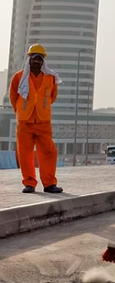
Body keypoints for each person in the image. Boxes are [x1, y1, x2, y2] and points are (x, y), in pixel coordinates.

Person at [8, 44, 63, 194]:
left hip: (43, 122)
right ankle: (29, 183)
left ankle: (49, 184)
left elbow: (53, 97)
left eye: (40, 59)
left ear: (43, 61)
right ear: (29, 60)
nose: (37, 61)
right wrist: (21, 111)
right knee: (24, 154)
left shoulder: (50, 78)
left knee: (48, 152)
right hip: (25, 122)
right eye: (34, 58)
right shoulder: (19, 77)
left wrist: (41, 108)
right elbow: (13, 96)